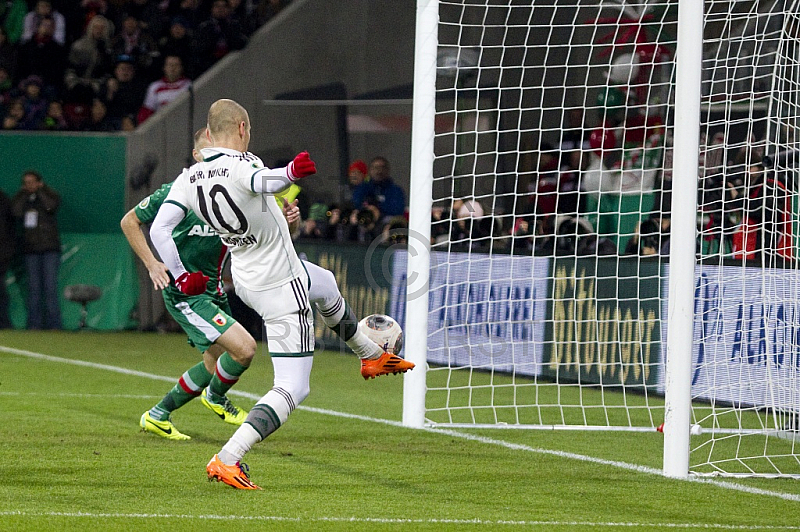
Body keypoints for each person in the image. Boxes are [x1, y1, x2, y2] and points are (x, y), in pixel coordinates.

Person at [150, 99, 412, 490]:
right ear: (241, 128)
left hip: (249, 276)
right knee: (293, 386)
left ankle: (371, 356)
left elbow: (159, 230)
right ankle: (227, 458)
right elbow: (263, 182)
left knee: (322, 282)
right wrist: (290, 171)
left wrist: (181, 273)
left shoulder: (189, 178)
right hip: (279, 286)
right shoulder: (243, 165)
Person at [121, 128, 254, 441]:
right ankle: (216, 398)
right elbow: (130, 221)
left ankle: (158, 415)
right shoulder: (176, 191)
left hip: (213, 289)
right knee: (245, 349)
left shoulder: (231, 192)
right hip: (186, 292)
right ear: (197, 157)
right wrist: (153, 263)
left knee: (213, 361)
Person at [10, 170, 61, 330]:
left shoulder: (48, 195)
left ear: (39, 182)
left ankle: (55, 325)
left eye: (32, 182)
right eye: (26, 182)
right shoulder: (22, 199)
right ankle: (34, 325)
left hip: (49, 249)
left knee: (50, 288)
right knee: (33, 288)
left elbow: (51, 207)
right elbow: (15, 212)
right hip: (30, 250)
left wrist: (41, 191)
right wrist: (24, 195)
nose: (29, 185)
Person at [136, 55, 191, 124]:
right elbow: (147, 111)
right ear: (164, 67)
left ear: (181, 68)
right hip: (161, 125)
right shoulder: (155, 86)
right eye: (170, 65)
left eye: (176, 65)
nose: (173, 68)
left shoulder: (188, 85)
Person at [0, 185, 14, 329]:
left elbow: (9, 230)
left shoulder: (3, 200)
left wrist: (6, 253)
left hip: (2, 255)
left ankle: (4, 322)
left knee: (1, 291)